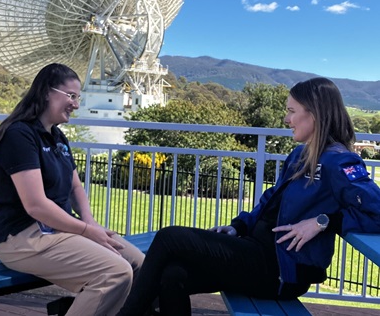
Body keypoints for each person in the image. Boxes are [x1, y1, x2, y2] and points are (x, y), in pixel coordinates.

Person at [116, 77, 380, 316]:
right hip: (254, 252)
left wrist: (323, 222)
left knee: (169, 237)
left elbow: (376, 210)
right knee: (172, 275)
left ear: (316, 115)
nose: (286, 119)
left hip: (280, 269)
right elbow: (269, 203)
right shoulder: (300, 155)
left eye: (291, 111)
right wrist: (238, 226)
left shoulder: (339, 161)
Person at [0, 63, 144, 316]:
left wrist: (91, 224)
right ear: (46, 92)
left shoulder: (57, 137)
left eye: (78, 97)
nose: (76, 104)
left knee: (138, 264)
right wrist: (85, 230)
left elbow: (75, 186)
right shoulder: (19, 135)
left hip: (56, 230)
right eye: (71, 96)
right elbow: (36, 205)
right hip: (22, 237)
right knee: (114, 272)